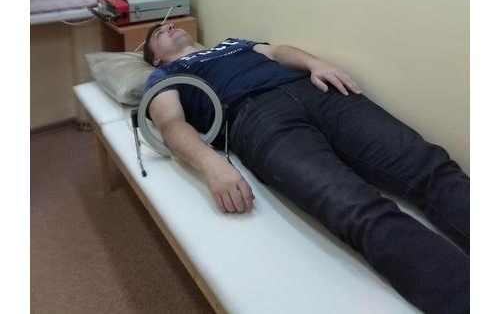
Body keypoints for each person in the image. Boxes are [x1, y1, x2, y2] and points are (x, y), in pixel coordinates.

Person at [143, 22, 469, 314]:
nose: (169, 26)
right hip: (255, 118)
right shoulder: (165, 75)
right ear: (156, 58)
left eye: (169, 24)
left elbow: (277, 51)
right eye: (159, 32)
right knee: (356, 208)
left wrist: (315, 63)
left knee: (428, 165)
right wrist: (210, 163)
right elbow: (171, 123)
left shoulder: (232, 43)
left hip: (319, 91)